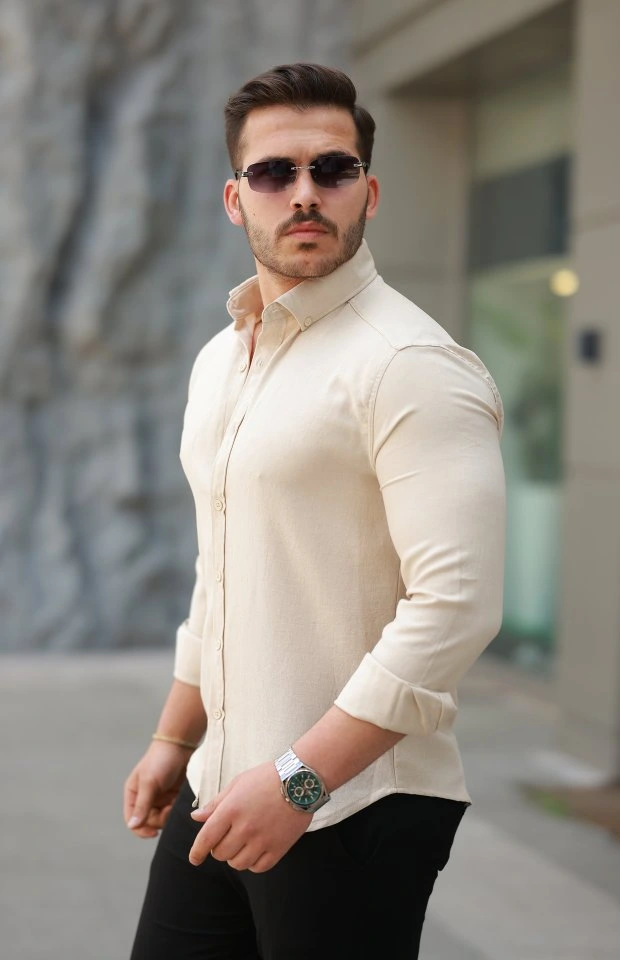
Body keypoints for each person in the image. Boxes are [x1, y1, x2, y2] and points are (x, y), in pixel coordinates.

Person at [124, 61, 506, 960]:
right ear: (236, 199)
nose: (304, 193)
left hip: (353, 806)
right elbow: (222, 567)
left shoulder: (409, 363)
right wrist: (175, 736)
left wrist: (299, 783)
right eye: (274, 172)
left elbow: (455, 607)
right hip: (220, 787)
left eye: (331, 169)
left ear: (367, 192)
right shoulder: (223, 359)